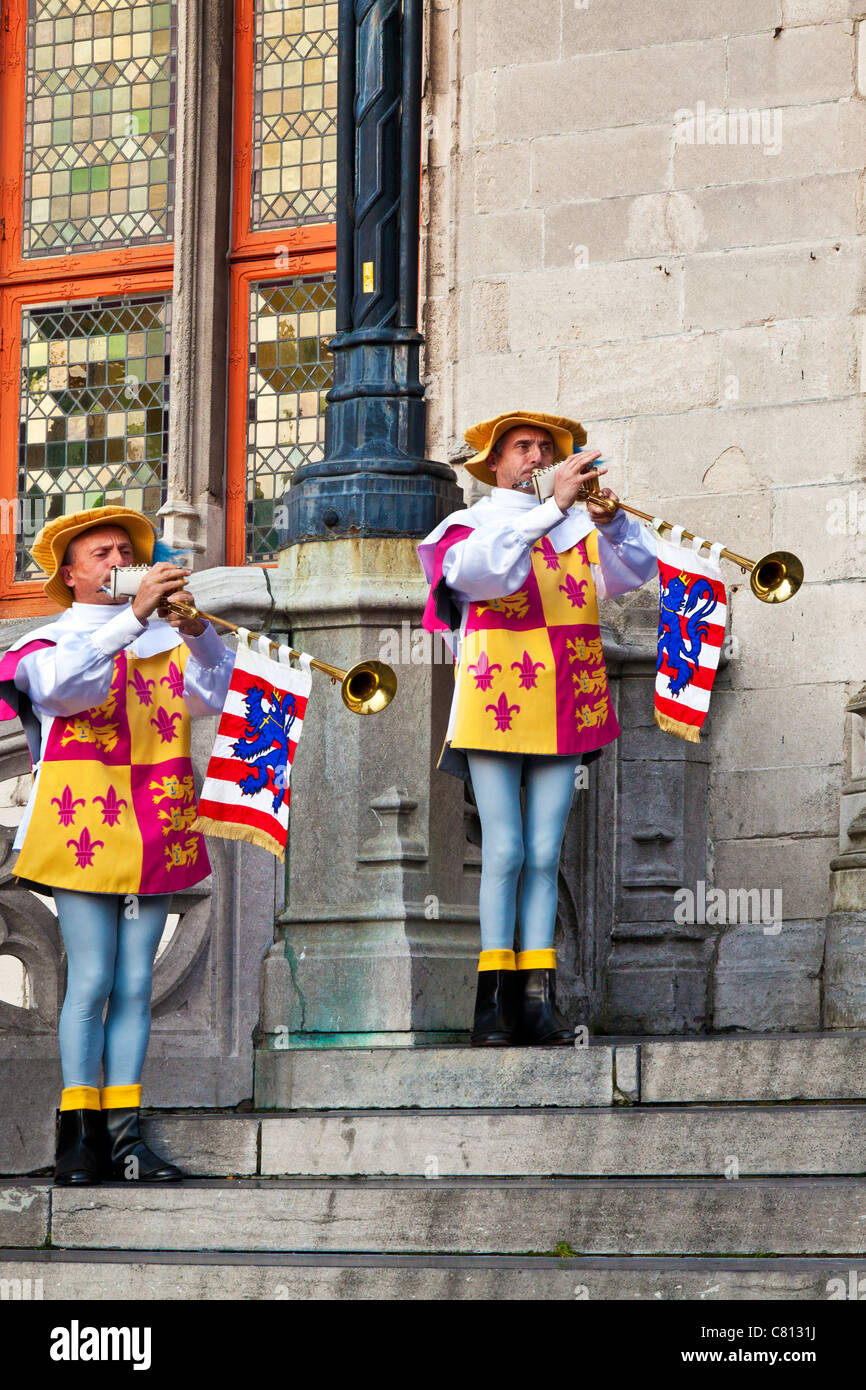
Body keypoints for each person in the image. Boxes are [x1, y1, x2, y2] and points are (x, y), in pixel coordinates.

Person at [0, 506, 234, 1184]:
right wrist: (131, 618)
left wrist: (199, 635)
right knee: (94, 978)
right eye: (100, 553)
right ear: (71, 575)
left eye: (122, 551)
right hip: (83, 827)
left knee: (134, 982)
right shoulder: (46, 644)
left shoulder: (160, 640)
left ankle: (126, 1138)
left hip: (156, 821)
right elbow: (64, 691)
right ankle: (78, 1137)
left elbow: (213, 696)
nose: (115, 560)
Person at [418, 411, 657, 1045]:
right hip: (498, 695)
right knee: (505, 849)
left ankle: (536, 996)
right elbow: (485, 573)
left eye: (545, 448)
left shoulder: (578, 526)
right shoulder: (468, 526)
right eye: (522, 447)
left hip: (569, 696)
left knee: (545, 854)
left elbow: (635, 572)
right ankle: (493, 1003)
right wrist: (552, 509)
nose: (535, 455)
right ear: (493, 464)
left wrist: (614, 523)